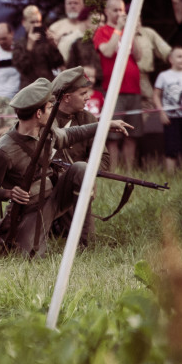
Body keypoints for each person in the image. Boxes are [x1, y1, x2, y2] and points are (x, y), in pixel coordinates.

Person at [0, 71, 132, 258]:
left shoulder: (46, 131)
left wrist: (105, 124)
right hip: (30, 210)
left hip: (54, 198)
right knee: (29, 257)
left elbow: (71, 134)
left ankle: (84, 240)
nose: (52, 113)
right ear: (38, 113)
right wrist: (8, 193)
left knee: (81, 168)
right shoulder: (3, 150)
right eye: (49, 109)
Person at [49, 69, 111, 244]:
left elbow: (103, 158)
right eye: (83, 93)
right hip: (45, 186)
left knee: (86, 240)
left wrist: (87, 173)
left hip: (74, 186)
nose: (88, 97)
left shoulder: (87, 119)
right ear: (67, 97)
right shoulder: (46, 117)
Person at [94, 0, 143, 169]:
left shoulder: (126, 32)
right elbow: (107, 52)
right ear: (106, 12)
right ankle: (113, 171)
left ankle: (129, 171)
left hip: (133, 89)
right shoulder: (102, 31)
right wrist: (118, 30)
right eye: (115, 10)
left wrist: (132, 33)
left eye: (122, 10)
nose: (119, 13)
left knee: (132, 134)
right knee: (114, 136)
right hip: (113, 89)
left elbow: (138, 56)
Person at [13, 5, 65, 89]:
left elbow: (58, 63)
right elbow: (23, 68)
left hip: (47, 86)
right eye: (32, 22)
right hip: (29, 88)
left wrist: (53, 45)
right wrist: (29, 47)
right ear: (24, 22)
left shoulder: (45, 42)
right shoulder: (19, 44)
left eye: (38, 22)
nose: (36, 25)